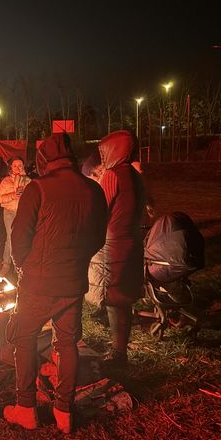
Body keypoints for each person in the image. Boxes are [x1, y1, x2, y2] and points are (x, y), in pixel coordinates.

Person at [3, 133, 107, 433]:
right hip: (72, 283)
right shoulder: (93, 189)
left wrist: (23, 266)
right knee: (67, 343)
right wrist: (76, 263)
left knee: (24, 340)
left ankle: (26, 410)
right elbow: (98, 237)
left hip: (38, 282)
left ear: (44, 159)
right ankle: (64, 412)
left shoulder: (39, 188)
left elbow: (19, 237)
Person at [87, 130, 147, 368]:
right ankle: (120, 348)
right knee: (123, 297)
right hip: (133, 239)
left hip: (114, 242)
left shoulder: (112, 175)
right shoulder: (135, 175)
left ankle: (118, 353)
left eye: (104, 152)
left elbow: (99, 208)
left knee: (114, 296)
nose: (102, 158)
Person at [0, 157, 31, 277]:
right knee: (11, 238)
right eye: (15, 166)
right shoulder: (6, 181)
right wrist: (12, 196)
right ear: (11, 167)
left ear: (23, 166)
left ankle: (19, 267)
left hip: (23, 213)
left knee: (22, 238)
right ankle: (6, 264)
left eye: (20, 165)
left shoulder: (28, 181)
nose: (17, 168)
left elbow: (33, 198)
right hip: (9, 212)